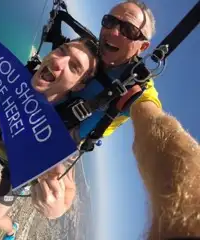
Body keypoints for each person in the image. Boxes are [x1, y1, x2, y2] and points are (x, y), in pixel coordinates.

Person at [33, 0, 200, 238]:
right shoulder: (89, 49)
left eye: (128, 30)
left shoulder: (136, 87)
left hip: (66, 139)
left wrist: (190, 204)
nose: (113, 31)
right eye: (109, 21)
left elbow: (155, 127)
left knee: (57, 202)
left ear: (143, 47)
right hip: (41, 110)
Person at [0, 33, 99, 240]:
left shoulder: (62, 127)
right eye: (62, 50)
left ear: (79, 86)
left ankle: (11, 229)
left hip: (17, 172)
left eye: (74, 66)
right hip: (1, 143)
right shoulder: (24, 77)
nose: (59, 61)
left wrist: (56, 209)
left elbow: (68, 186)